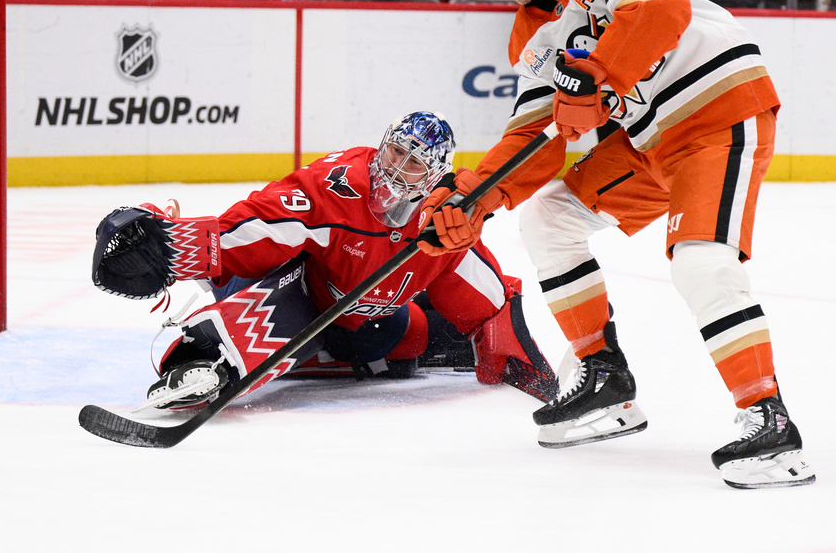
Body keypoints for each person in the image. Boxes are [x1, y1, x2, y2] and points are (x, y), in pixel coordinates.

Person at [422, 0, 814, 489]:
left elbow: (660, 10)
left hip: (718, 113)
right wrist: (474, 196)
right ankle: (603, 378)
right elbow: (533, 136)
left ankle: (770, 421)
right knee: (548, 218)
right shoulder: (531, 32)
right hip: (650, 143)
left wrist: (599, 74)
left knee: (701, 263)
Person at [91, 112, 557, 411]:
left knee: (410, 339)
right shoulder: (337, 187)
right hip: (292, 279)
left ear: (435, 176)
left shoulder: (443, 223)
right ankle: (203, 358)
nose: (397, 168)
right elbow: (262, 221)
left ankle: (319, 353)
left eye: (414, 162)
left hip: (361, 316)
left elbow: (489, 297)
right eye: (396, 152)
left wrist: (518, 358)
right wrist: (181, 248)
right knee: (267, 302)